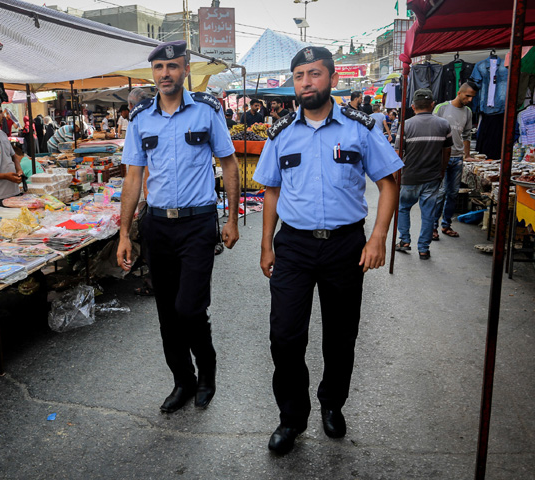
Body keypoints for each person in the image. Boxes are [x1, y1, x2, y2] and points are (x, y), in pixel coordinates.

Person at [253, 46, 403, 455]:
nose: (307, 82)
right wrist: (266, 244)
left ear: (332, 79)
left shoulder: (359, 127)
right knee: (284, 337)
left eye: (315, 74)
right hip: (295, 247)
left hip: (344, 246)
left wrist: (378, 238)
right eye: (300, 75)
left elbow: (390, 180)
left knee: (340, 336)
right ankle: (291, 417)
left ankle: (332, 403)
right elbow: (271, 190)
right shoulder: (281, 132)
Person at [117, 40, 240, 414]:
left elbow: (230, 164)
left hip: (198, 224)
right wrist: (124, 233)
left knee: (189, 309)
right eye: (159, 68)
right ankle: (182, 381)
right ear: (152, 73)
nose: (165, 74)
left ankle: (207, 374)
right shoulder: (141, 119)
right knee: (167, 313)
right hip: (157, 226)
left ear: (186, 70)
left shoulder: (206, 111)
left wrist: (232, 218)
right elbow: (133, 177)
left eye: (172, 66)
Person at [394, 89, 453, 260]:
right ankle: (423, 249)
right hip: (432, 177)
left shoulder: (405, 125)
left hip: (409, 177)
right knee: (428, 214)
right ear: (433, 105)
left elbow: (398, 153)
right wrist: (442, 170)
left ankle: (404, 241)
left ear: (413, 106)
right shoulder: (443, 125)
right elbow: (446, 152)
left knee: (403, 208)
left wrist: (396, 177)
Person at [432, 81, 478, 240]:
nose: (470, 99)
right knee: (440, 193)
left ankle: (446, 225)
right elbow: (432, 130)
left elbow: (466, 135)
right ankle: (432, 227)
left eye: (472, 97)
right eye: (468, 96)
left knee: (452, 193)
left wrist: (467, 155)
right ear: (459, 93)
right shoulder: (441, 108)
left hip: (458, 158)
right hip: (441, 157)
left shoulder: (468, 112)